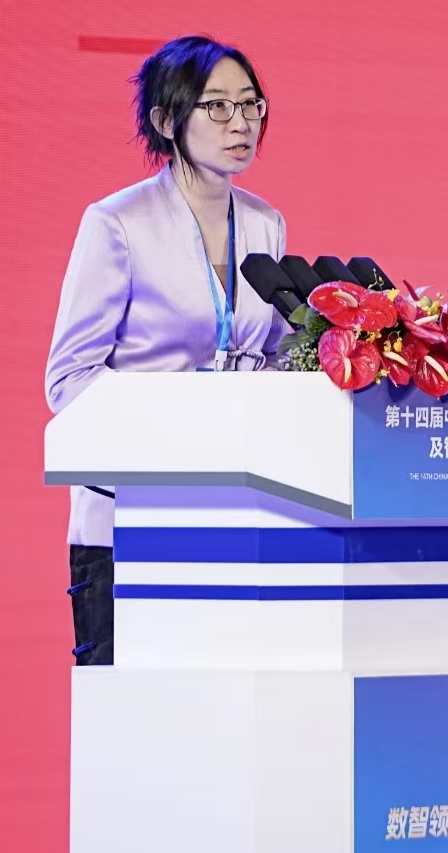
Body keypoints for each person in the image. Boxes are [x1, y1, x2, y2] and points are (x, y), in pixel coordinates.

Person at [44, 35, 289, 665]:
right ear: (165, 120)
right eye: (217, 106)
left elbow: (270, 352)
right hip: (129, 520)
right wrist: (179, 415)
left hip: (233, 512)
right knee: (131, 712)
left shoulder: (265, 224)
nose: (241, 123)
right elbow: (68, 379)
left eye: (251, 104)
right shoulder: (117, 222)